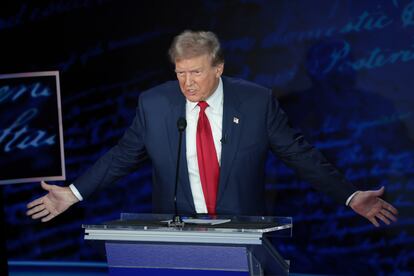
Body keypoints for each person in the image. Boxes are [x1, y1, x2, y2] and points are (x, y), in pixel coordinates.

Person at [27, 30, 398, 227]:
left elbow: (300, 156)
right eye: (180, 73)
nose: (187, 83)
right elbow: (122, 156)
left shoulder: (256, 102)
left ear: (218, 68)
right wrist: (72, 194)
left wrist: (350, 196)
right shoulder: (155, 104)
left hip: (243, 233)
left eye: (197, 72)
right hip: (176, 236)